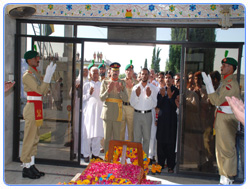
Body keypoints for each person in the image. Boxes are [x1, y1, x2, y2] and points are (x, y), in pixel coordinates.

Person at [202, 51, 240, 185]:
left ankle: (228, 177)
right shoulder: (225, 82)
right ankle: (224, 177)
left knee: (227, 149)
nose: (222, 67)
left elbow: (216, 101)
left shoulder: (231, 84)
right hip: (221, 118)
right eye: (222, 65)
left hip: (227, 119)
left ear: (231, 68)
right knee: (220, 150)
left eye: (224, 65)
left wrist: (209, 87)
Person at [21, 50, 56, 179]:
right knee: (29, 138)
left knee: (35, 139)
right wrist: (47, 77)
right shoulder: (27, 75)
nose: (38, 59)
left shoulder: (35, 73)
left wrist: (47, 78)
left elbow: (45, 91)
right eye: (36, 58)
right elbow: (40, 90)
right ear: (29, 60)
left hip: (37, 108)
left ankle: (31, 164)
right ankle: (25, 167)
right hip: (32, 108)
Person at [100, 62, 128, 153]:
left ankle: (116, 158)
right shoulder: (105, 82)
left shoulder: (122, 83)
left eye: (117, 71)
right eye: (113, 71)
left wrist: (120, 91)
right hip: (107, 113)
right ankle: (107, 158)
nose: (115, 72)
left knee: (117, 138)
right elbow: (101, 98)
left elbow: (126, 99)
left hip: (117, 113)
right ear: (110, 72)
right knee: (107, 137)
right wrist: (108, 90)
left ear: (119, 72)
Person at [130, 68, 157, 157]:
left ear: (149, 76)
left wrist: (149, 96)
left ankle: (144, 160)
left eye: (146, 74)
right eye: (142, 74)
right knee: (137, 138)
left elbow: (155, 104)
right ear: (140, 75)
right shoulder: (135, 88)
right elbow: (132, 103)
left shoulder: (153, 88)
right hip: (137, 114)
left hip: (148, 114)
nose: (144, 76)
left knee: (147, 138)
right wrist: (137, 96)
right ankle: (137, 159)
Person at [156, 71, 179, 173]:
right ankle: (160, 164)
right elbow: (158, 105)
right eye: (166, 78)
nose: (168, 79)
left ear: (172, 80)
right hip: (162, 121)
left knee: (170, 143)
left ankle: (170, 166)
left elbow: (175, 107)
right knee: (160, 143)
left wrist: (170, 98)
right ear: (164, 80)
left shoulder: (176, 91)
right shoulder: (161, 90)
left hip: (171, 121)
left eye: (170, 78)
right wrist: (162, 96)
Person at [81, 67, 104, 162]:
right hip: (89, 113)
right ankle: (86, 154)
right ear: (90, 74)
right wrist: (89, 94)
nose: (95, 74)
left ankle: (95, 154)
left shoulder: (102, 85)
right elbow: (81, 98)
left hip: (99, 112)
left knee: (97, 134)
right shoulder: (86, 85)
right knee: (87, 134)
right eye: (93, 73)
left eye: (97, 73)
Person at [69, 66, 88, 158]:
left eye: (87, 71)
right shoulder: (77, 81)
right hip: (77, 108)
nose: (85, 73)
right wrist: (76, 90)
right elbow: (70, 95)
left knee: (85, 131)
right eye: (84, 71)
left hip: (87, 110)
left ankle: (83, 151)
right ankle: (76, 151)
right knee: (77, 130)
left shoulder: (89, 82)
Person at [120, 60, 138, 141]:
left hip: (131, 107)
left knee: (131, 131)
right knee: (121, 130)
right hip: (122, 107)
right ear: (125, 71)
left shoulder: (137, 83)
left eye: (131, 70)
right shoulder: (121, 82)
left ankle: (131, 151)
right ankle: (120, 151)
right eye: (127, 70)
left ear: (133, 72)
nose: (129, 72)